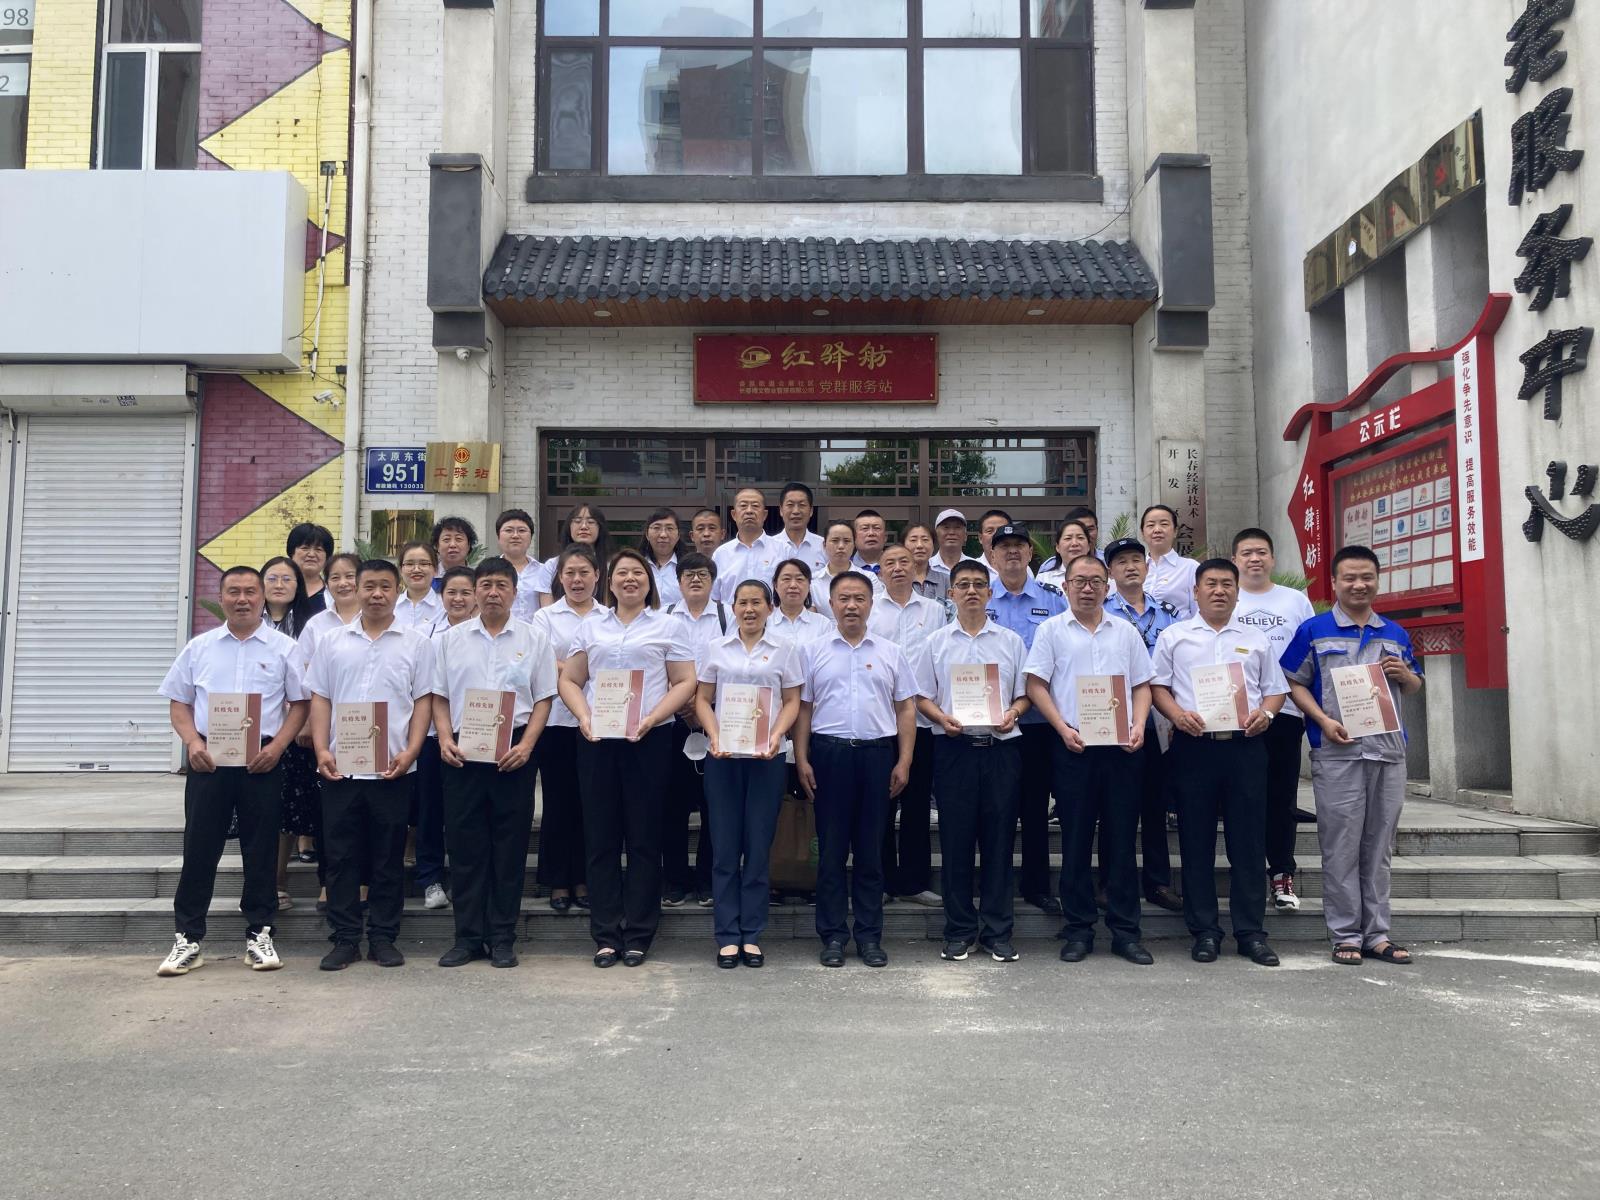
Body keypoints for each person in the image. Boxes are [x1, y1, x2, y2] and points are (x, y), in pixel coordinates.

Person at [156, 566, 309, 976]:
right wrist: (193, 743)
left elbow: (300, 704)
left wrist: (277, 747)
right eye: (234, 592)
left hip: (262, 761)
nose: (242, 599)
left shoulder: (284, 648)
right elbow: (179, 702)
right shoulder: (200, 647)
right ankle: (187, 938)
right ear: (221, 597)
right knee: (199, 849)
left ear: (262, 598)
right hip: (209, 760)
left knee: (261, 849)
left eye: (250, 592)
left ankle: (260, 933)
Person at [1281, 545, 1424, 967]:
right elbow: (1293, 682)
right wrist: (1323, 721)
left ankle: (1377, 934)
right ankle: (1346, 934)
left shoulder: (1394, 633)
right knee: (1341, 845)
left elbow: (1415, 685)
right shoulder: (1314, 630)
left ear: (1377, 581)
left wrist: (1406, 675)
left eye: (1367, 577)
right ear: (1335, 583)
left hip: (1388, 752)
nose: (1359, 585)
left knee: (1379, 847)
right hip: (1337, 752)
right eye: (1350, 578)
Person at [559, 548, 697, 968]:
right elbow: (570, 679)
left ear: (649, 582)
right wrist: (584, 717)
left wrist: (654, 716)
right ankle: (605, 935)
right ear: (610, 581)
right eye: (622, 573)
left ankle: (638, 932)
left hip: (649, 740)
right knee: (600, 838)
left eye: (638, 572)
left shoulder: (668, 626)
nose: (630, 579)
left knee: (644, 838)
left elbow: (685, 680)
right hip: (598, 739)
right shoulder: (591, 626)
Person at [1150, 559, 1288, 967]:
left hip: (1245, 748)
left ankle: (1251, 933)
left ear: (1237, 592)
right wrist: (1177, 715)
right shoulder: (1174, 637)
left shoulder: (1255, 639)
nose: (1219, 591)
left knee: (1248, 844)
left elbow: (1275, 690)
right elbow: (1158, 687)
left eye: (1227, 584)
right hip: (1194, 748)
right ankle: (1205, 931)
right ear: (1195, 591)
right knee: (1196, 843)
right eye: (1210, 584)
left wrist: (1268, 714)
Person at [1025, 554, 1156, 965]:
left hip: (1122, 750)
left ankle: (1125, 932)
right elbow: (1035, 685)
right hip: (1074, 748)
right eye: (1079, 581)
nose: (1087, 588)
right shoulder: (1050, 631)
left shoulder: (1126, 632)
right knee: (1076, 840)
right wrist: (1062, 728)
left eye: (1096, 581)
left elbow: (1142, 685)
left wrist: (1139, 724)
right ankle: (1078, 929)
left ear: (1107, 586)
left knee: (1121, 841)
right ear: (1065, 586)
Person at [306, 559, 437, 970]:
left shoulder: (417, 643)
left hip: (392, 768)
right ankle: (345, 938)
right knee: (340, 856)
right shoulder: (332, 641)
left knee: (387, 856)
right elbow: (320, 697)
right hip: (340, 768)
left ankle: (383, 936)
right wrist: (321, 749)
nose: (377, 594)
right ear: (356, 590)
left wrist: (412, 750)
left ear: (397, 590)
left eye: (385, 586)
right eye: (369, 586)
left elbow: (423, 701)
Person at [431, 557, 558, 969]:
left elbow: (544, 698)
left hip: (513, 752)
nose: (492, 592)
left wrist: (528, 747)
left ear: (515, 592)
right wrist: (445, 738)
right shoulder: (450, 640)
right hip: (463, 752)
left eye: (501, 585)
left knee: (509, 847)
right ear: (474, 591)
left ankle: (502, 937)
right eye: (485, 584)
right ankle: (467, 937)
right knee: (465, 848)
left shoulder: (534, 638)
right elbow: (438, 696)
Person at [793, 572, 919, 968]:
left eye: (859, 598)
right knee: (831, 852)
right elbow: (804, 709)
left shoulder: (891, 652)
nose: (851, 605)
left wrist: (904, 759)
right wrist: (801, 758)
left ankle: (868, 936)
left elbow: (906, 708)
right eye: (844, 598)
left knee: (870, 852)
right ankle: (832, 935)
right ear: (831, 604)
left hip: (877, 756)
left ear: (870, 604)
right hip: (828, 755)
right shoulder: (812, 651)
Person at [913, 560, 1029, 963]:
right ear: (951, 594)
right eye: (963, 585)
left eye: (979, 584)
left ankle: (998, 932)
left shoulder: (1010, 641)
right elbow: (922, 695)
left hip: (1001, 750)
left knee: (999, 842)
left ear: (990, 593)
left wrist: (1013, 712)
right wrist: (941, 718)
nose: (972, 591)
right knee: (956, 842)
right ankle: (959, 930)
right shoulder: (936, 643)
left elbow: (1023, 694)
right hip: (955, 750)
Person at [695, 579, 803, 968]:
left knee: (758, 847)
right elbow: (702, 699)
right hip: (723, 758)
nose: (749, 609)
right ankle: (727, 934)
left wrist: (776, 735)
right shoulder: (716, 648)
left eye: (757, 602)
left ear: (770, 608)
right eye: (743, 602)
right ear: (734, 608)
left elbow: (792, 700)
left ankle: (752, 933)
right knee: (725, 848)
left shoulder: (785, 649)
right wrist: (714, 733)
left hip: (766, 759)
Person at [1232, 527, 1318, 911]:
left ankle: (1282, 873)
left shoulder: (1295, 601)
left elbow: (1311, 655)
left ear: (1272, 558)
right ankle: (1247, 873)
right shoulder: (1225, 597)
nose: (1254, 559)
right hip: (1236, 718)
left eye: (1261, 552)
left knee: (1281, 798)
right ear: (1235, 559)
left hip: (1285, 713)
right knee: (1244, 798)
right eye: (1247, 553)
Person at [985, 523, 1066, 914]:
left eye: (1020, 545)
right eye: (1004, 547)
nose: (1013, 552)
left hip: (1038, 724)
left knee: (1035, 808)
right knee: (996, 809)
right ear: (992, 555)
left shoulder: (1054, 600)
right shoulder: (980, 595)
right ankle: (996, 885)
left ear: (1031, 553)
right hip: (991, 722)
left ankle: (1037, 885)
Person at [1101, 537, 1183, 912]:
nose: (1130, 566)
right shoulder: (1102, 612)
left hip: (1160, 723)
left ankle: (1158, 882)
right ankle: (1111, 882)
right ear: (1110, 572)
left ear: (1147, 567)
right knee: (1113, 807)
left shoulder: (1169, 614)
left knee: (1155, 805)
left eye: (1136, 560)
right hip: (1114, 721)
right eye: (1121, 562)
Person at [527, 545, 606, 913]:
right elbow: (542, 660)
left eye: (584, 572)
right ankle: (558, 880)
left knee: (592, 803)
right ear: (560, 578)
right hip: (557, 721)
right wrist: (582, 669)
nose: (577, 579)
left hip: (601, 722)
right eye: (570, 573)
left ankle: (585, 878)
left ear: (597, 576)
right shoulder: (545, 617)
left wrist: (575, 668)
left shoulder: (608, 617)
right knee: (559, 803)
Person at [870, 543, 949, 907]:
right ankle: (883, 881)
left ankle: (915, 882)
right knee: (881, 805)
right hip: (881, 722)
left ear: (916, 567)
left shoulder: (934, 611)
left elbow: (941, 659)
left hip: (923, 721)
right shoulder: (871, 610)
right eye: (890, 563)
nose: (898, 567)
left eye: (904, 561)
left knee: (917, 804)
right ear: (880, 571)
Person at [286, 552, 363, 906]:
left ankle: (363, 882)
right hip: (326, 734)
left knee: (367, 813)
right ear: (326, 584)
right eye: (336, 578)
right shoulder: (318, 625)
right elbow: (303, 676)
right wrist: (305, 723)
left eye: (350, 576)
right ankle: (327, 882)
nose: (344, 583)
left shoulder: (379, 618)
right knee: (328, 814)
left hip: (372, 734)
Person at [662, 552, 727, 907]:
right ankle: (674, 880)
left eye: (702, 574)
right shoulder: (664, 618)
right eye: (688, 574)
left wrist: (702, 704)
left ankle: (706, 880)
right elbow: (656, 666)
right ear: (679, 581)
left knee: (714, 806)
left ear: (713, 580)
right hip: (672, 719)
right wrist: (683, 703)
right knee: (672, 806)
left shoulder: (728, 616)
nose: (696, 580)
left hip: (716, 720)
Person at [414, 565, 478, 914]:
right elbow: (424, 691)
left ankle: (465, 878)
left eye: (466, 592)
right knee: (430, 809)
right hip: (432, 735)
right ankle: (431, 878)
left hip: (478, 734)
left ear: (476, 596)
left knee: (466, 812)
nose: (458, 599)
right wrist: (439, 735)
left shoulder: (485, 633)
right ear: (441, 596)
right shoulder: (426, 637)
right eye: (451, 592)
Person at [535, 504, 610, 607]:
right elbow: (547, 608)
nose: (584, 527)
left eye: (591, 522)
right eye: (578, 521)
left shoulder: (609, 566)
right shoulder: (552, 566)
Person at [713, 487, 777, 604]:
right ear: (733, 514)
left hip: (772, 616)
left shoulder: (783, 550)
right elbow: (714, 597)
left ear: (765, 515)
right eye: (743, 506)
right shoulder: (721, 554)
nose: (749, 511)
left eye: (755, 506)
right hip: (730, 616)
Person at [812, 519, 885, 611]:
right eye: (835, 540)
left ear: (854, 545)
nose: (841, 546)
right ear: (824, 545)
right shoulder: (813, 580)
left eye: (846, 541)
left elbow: (878, 612)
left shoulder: (869, 578)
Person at [1142, 504, 1198, 619]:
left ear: (1175, 531)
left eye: (1164, 524)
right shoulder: (1136, 568)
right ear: (1142, 533)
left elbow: (1199, 611)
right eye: (1151, 525)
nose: (1157, 530)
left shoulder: (1190, 568)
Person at [762, 481, 829, 576]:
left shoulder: (823, 546)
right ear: (781, 510)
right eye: (790, 505)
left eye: (802, 505)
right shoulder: (768, 546)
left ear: (811, 511)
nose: (796, 511)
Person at [768, 558, 833, 645]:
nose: (793, 585)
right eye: (786, 579)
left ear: (809, 586)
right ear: (775, 585)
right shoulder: (765, 624)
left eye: (799, 579)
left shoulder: (823, 624)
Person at [495, 508, 544, 623]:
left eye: (522, 530)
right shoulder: (489, 572)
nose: (515, 536)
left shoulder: (544, 571)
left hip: (536, 632)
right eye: (509, 530)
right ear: (498, 537)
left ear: (531, 537)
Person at [641, 507, 685, 608]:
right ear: (647, 534)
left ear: (678, 535)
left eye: (670, 528)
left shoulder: (688, 567)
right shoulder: (637, 565)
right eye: (656, 528)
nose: (663, 535)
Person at [395, 541, 444, 631]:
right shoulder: (391, 606)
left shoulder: (445, 607)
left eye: (424, 564)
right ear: (401, 570)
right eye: (409, 564)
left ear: (435, 570)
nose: (416, 570)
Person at [287, 523, 334, 613]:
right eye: (305, 548)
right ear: (292, 552)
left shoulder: (334, 593)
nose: (311, 554)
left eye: (318, 549)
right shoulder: (279, 588)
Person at [261, 556, 313, 637]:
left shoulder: (312, 622)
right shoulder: (247, 619)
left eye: (286, 579)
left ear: (298, 585)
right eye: (272, 579)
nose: (279, 586)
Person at [1036, 519, 1092, 591]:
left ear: (1088, 546)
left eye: (1080, 538)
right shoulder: (1044, 580)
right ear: (1057, 547)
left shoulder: (1101, 578)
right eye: (1068, 538)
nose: (1074, 543)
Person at [901, 522, 949, 602]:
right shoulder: (896, 579)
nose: (919, 545)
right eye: (913, 540)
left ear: (933, 546)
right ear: (903, 546)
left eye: (925, 540)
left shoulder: (946, 580)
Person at [431, 516, 478, 590]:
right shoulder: (428, 577)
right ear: (437, 546)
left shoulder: (478, 578)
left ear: (469, 545)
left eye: (458, 539)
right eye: (446, 539)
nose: (452, 545)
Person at [930, 508, 975, 585]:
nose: (951, 532)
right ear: (936, 535)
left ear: (965, 536)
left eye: (957, 527)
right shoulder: (927, 566)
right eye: (946, 527)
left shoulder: (976, 566)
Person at [850, 509, 889, 574]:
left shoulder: (896, 567)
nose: (871, 533)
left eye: (876, 528)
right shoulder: (845, 567)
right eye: (865, 528)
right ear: (854, 537)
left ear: (885, 537)